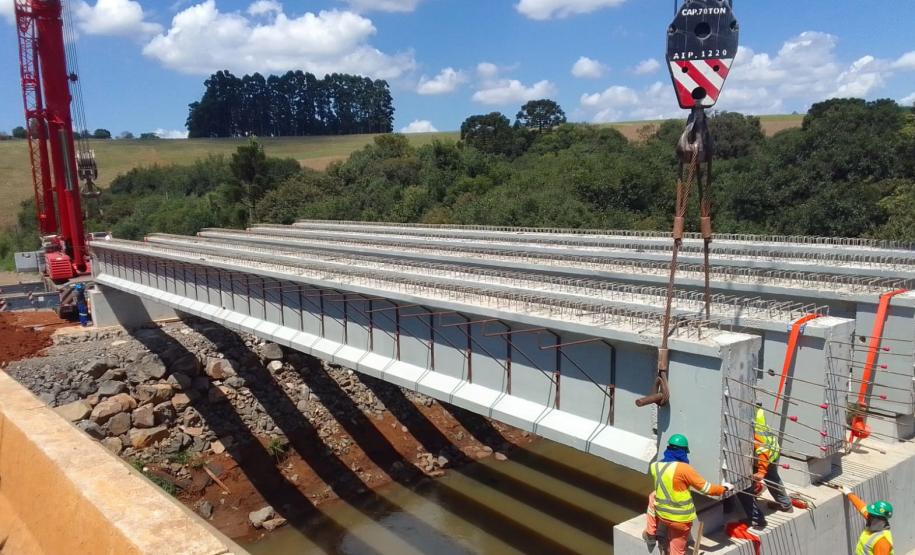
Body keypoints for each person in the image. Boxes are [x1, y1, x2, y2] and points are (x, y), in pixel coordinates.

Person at [644, 434, 735, 555]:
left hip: (663, 516)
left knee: (653, 496)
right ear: (683, 452)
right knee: (677, 551)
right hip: (681, 520)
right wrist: (725, 488)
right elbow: (707, 489)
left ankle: (651, 533)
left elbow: (667, 486)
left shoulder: (655, 466)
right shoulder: (684, 469)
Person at [737, 406, 793, 528]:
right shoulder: (755, 413)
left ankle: (757, 519)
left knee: (744, 486)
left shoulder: (749, 427)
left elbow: (762, 450)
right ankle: (785, 504)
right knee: (773, 478)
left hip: (765, 454)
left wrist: (761, 471)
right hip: (773, 450)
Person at [840, 486, 894, 555]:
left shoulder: (882, 542)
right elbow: (862, 507)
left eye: (872, 515)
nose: (868, 516)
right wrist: (849, 493)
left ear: (880, 519)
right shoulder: (874, 523)